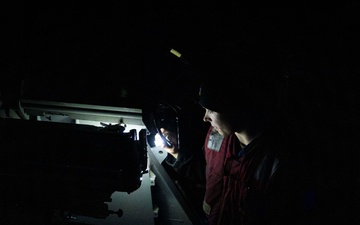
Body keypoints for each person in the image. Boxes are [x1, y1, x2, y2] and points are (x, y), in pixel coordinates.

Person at [160, 52, 315, 225]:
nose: (205, 118)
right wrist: (177, 154)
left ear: (233, 106)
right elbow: (207, 174)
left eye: (211, 110)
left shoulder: (279, 160)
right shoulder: (215, 136)